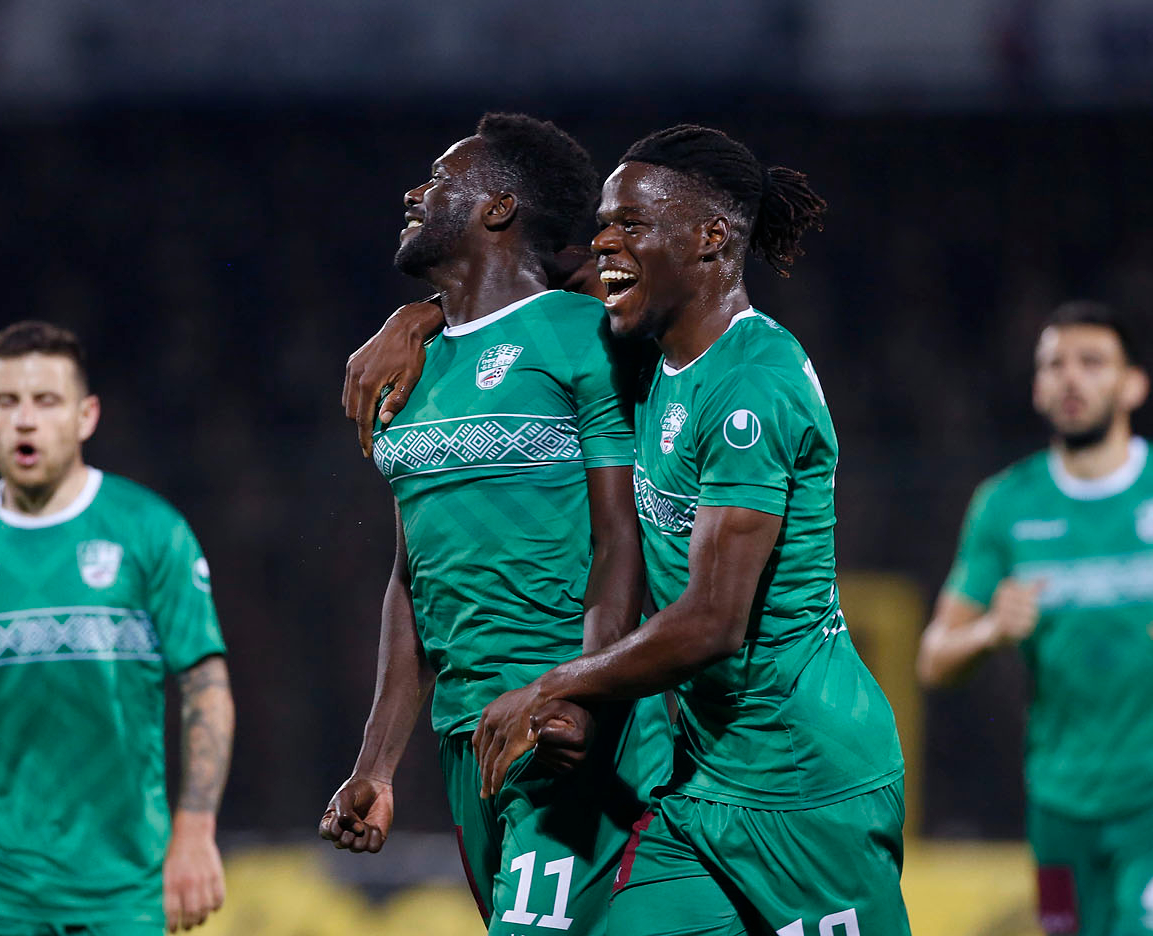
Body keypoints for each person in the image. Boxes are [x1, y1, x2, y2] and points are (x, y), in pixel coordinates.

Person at [349, 124, 910, 935]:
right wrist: (417, 316)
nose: (602, 244)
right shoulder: (648, 353)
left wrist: (554, 686)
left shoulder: (751, 386)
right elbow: (518, 282)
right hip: (701, 780)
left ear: (709, 238)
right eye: (603, 224)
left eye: (628, 225)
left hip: (803, 778)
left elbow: (712, 622)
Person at [319, 113, 672, 936]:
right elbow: (411, 576)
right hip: (466, 737)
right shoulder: (412, 368)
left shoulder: (590, 336)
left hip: (564, 725)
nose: (414, 192)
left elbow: (620, 538)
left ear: (499, 207)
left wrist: (582, 695)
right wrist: (377, 764)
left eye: (441, 178)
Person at [0, 321, 234, 936]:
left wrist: (195, 830)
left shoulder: (151, 531)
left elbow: (206, 687)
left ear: (85, 415)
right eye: (6, 402)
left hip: (124, 882)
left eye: (46, 401)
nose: (25, 421)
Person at [918, 301, 1153, 936]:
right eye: (1054, 364)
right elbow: (935, 658)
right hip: (1060, 807)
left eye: (1092, 362)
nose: (1071, 378)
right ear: (1037, 388)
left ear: (1133, 384)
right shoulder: (1006, 504)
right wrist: (990, 631)